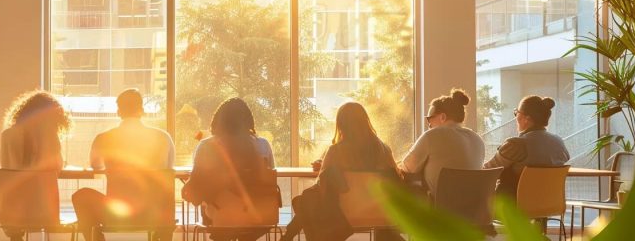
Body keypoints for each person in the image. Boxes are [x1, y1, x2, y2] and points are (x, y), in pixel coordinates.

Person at [281, 102, 404, 241]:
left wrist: (326, 167)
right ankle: (288, 236)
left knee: (307, 200)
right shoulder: (384, 150)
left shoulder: (335, 151)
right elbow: (397, 178)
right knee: (307, 199)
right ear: (365, 121)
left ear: (341, 125)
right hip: (380, 212)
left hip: (345, 214)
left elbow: (322, 185)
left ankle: (288, 236)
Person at [71, 89, 175, 241]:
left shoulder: (104, 138)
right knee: (165, 198)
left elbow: (96, 166)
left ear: (118, 111)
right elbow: (168, 169)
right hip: (156, 215)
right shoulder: (163, 138)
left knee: (81, 196)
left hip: (118, 213)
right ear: (142, 110)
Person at [182, 98, 278, 241]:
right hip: (258, 218)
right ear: (248, 121)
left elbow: (194, 191)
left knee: (211, 205)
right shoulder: (263, 145)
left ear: (217, 121)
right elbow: (269, 181)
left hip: (220, 218)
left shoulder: (206, 146)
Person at [0, 91, 71, 241]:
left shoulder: (7, 135)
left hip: (13, 211)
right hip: (45, 210)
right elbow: (57, 168)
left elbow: (6, 168)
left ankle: (16, 235)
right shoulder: (50, 137)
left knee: (18, 212)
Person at [398, 88, 485, 197]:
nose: (428, 125)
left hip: (439, 211)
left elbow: (405, 168)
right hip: (473, 211)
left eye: (429, 119)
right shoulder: (478, 140)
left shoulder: (432, 135)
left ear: (442, 117)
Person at [484, 95, 570, 197]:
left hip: (513, 207)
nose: (516, 117)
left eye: (517, 113)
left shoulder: (516, 145)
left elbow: (487, 172)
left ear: (526, 119)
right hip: (550, 204)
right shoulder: (558, 143)